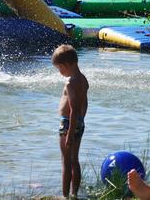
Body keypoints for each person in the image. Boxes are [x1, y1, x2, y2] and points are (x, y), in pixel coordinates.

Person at [53, 44, 89, 199]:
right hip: (79, 123)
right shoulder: (83, 80)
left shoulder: (70, 82)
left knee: (66, 162)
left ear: (66, 65)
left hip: (68, 123)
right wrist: (80, 121)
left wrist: (69, 134)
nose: (59, 72)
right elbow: (84, 104)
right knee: (75, 160)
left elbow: (73, 109)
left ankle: (65, 195)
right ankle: (74, 193)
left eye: (59, 68)